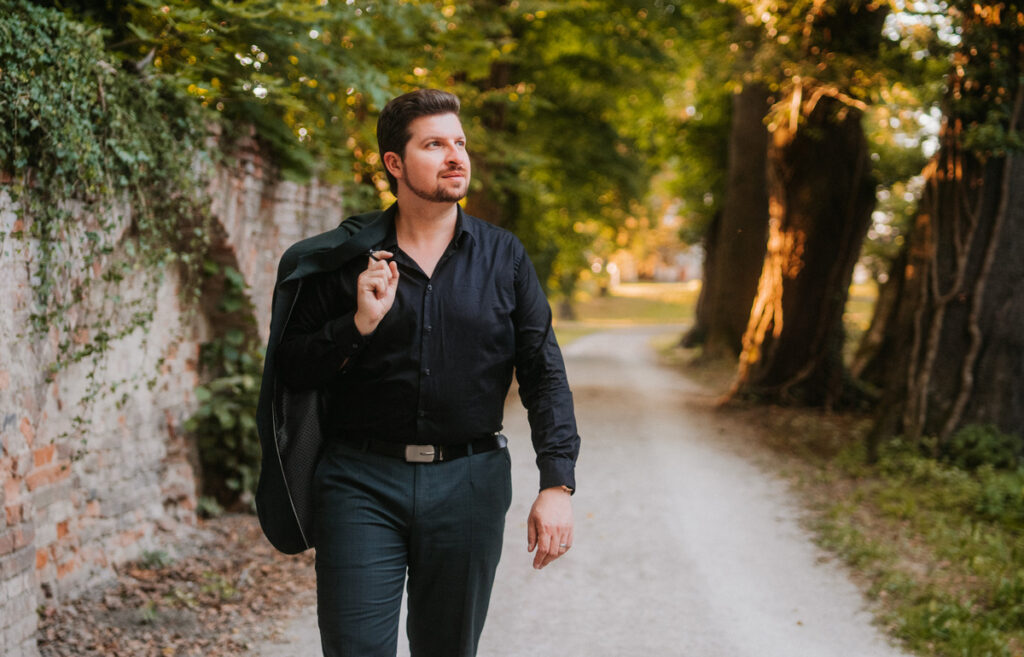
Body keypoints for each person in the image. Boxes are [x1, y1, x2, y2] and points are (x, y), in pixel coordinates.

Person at [261, 88, 580, 657]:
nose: (456, 156)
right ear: (394, 162)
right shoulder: (343, 260)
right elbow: (292, 368)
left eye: (460, 143)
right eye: (434, 145)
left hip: (470, 483)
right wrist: (357, 324)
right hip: (360, 482)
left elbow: (544, 373)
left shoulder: (504, 258)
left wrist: (557, 483)